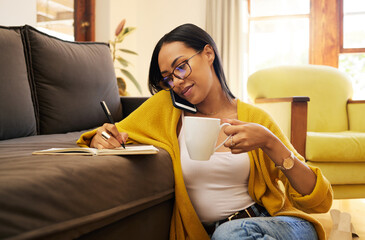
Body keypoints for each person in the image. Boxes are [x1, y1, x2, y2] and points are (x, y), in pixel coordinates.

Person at [77, 23, 333, 240]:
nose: (176, 82)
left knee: (230, 234)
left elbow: (319, 201)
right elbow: (113, 133)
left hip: (274, 223)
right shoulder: (167, 109)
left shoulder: (255, 119)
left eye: (180, 67)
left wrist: (270, 143)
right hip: (216, 234)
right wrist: (101, 138)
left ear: (208, 53)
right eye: (168, 78)